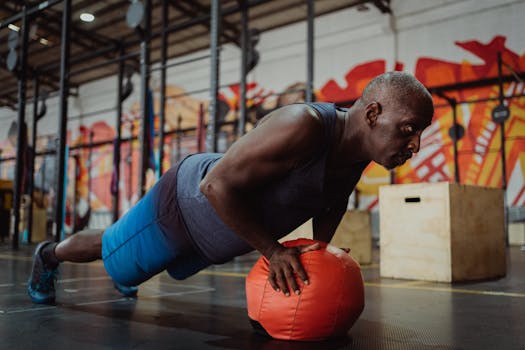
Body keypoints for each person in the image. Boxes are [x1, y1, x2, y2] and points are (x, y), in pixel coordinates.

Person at [28, 71, 434, 304]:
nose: (414, 145)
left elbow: (334, 199)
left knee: (142, 266)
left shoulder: (360, 151)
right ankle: (48, 255)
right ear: (373, 114)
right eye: (409, 129)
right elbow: (215, 185)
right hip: (183, 206)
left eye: (420, 133)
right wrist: (273, 251)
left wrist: (319, 251)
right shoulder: (303, 126)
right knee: (114, 250)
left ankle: (133, 264)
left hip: (216, 232)